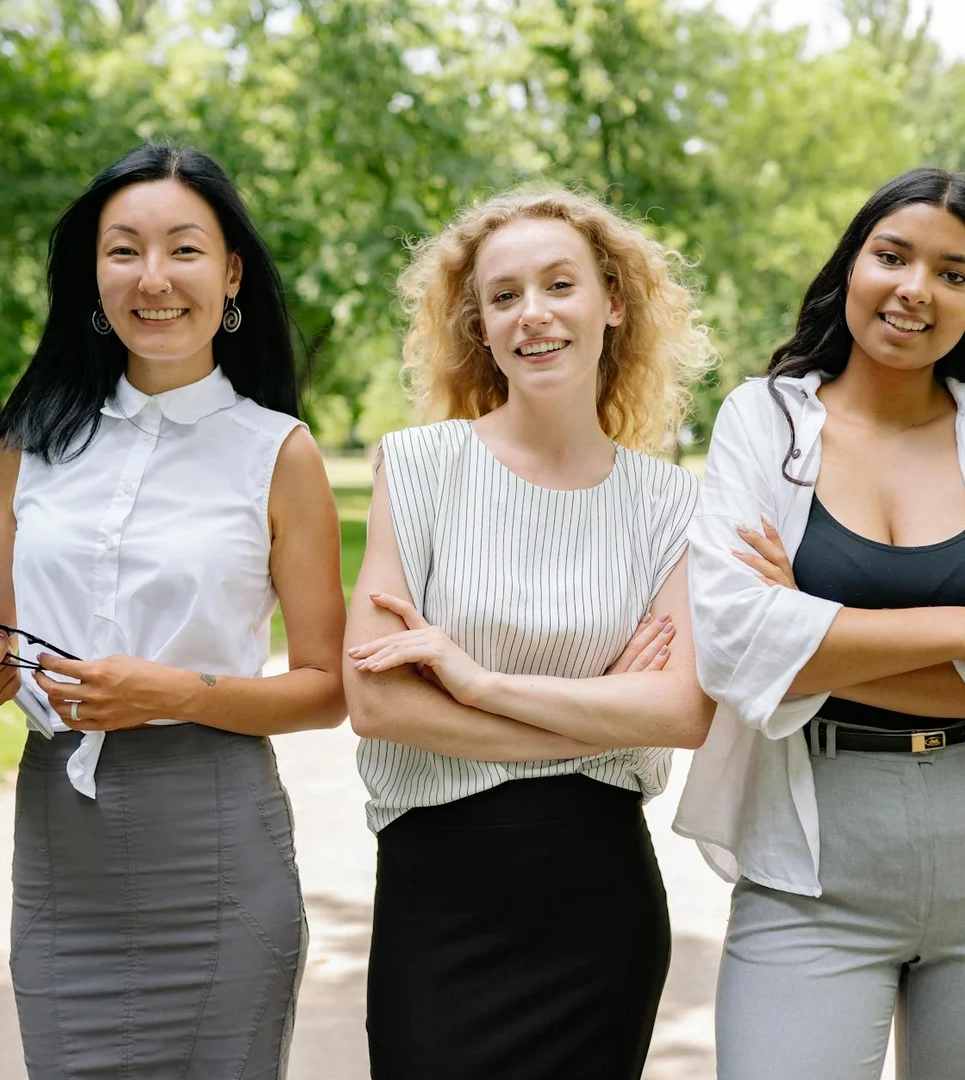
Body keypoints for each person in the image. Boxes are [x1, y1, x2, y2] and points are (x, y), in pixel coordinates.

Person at [674, 167, 965, 1080]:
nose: (915, 289)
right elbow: (734, 649)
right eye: (892, 256)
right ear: (851, 266)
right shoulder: (763, 422)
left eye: (954, 272)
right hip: (811, 865)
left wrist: (809, 636)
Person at [0, 143, 346, 1079]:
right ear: (94, 271)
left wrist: (177, 692)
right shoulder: (27, 443)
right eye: (124, 250)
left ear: (231, 272)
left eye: (184, 250)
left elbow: (327, 690)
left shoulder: (280, 453)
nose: (153, 279)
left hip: (214, 834)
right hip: (59, 842)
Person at [343, 188, 718, 1080]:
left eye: (561, 284)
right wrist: (597, 710)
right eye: (504, 295)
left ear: (614, 303)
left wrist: (474, 685)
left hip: (598, 909)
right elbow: (374, 699)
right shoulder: (420, 468)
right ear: (478, 325)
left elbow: (680, 709)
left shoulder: (673, 505)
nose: (534, 314)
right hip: (439, 898)